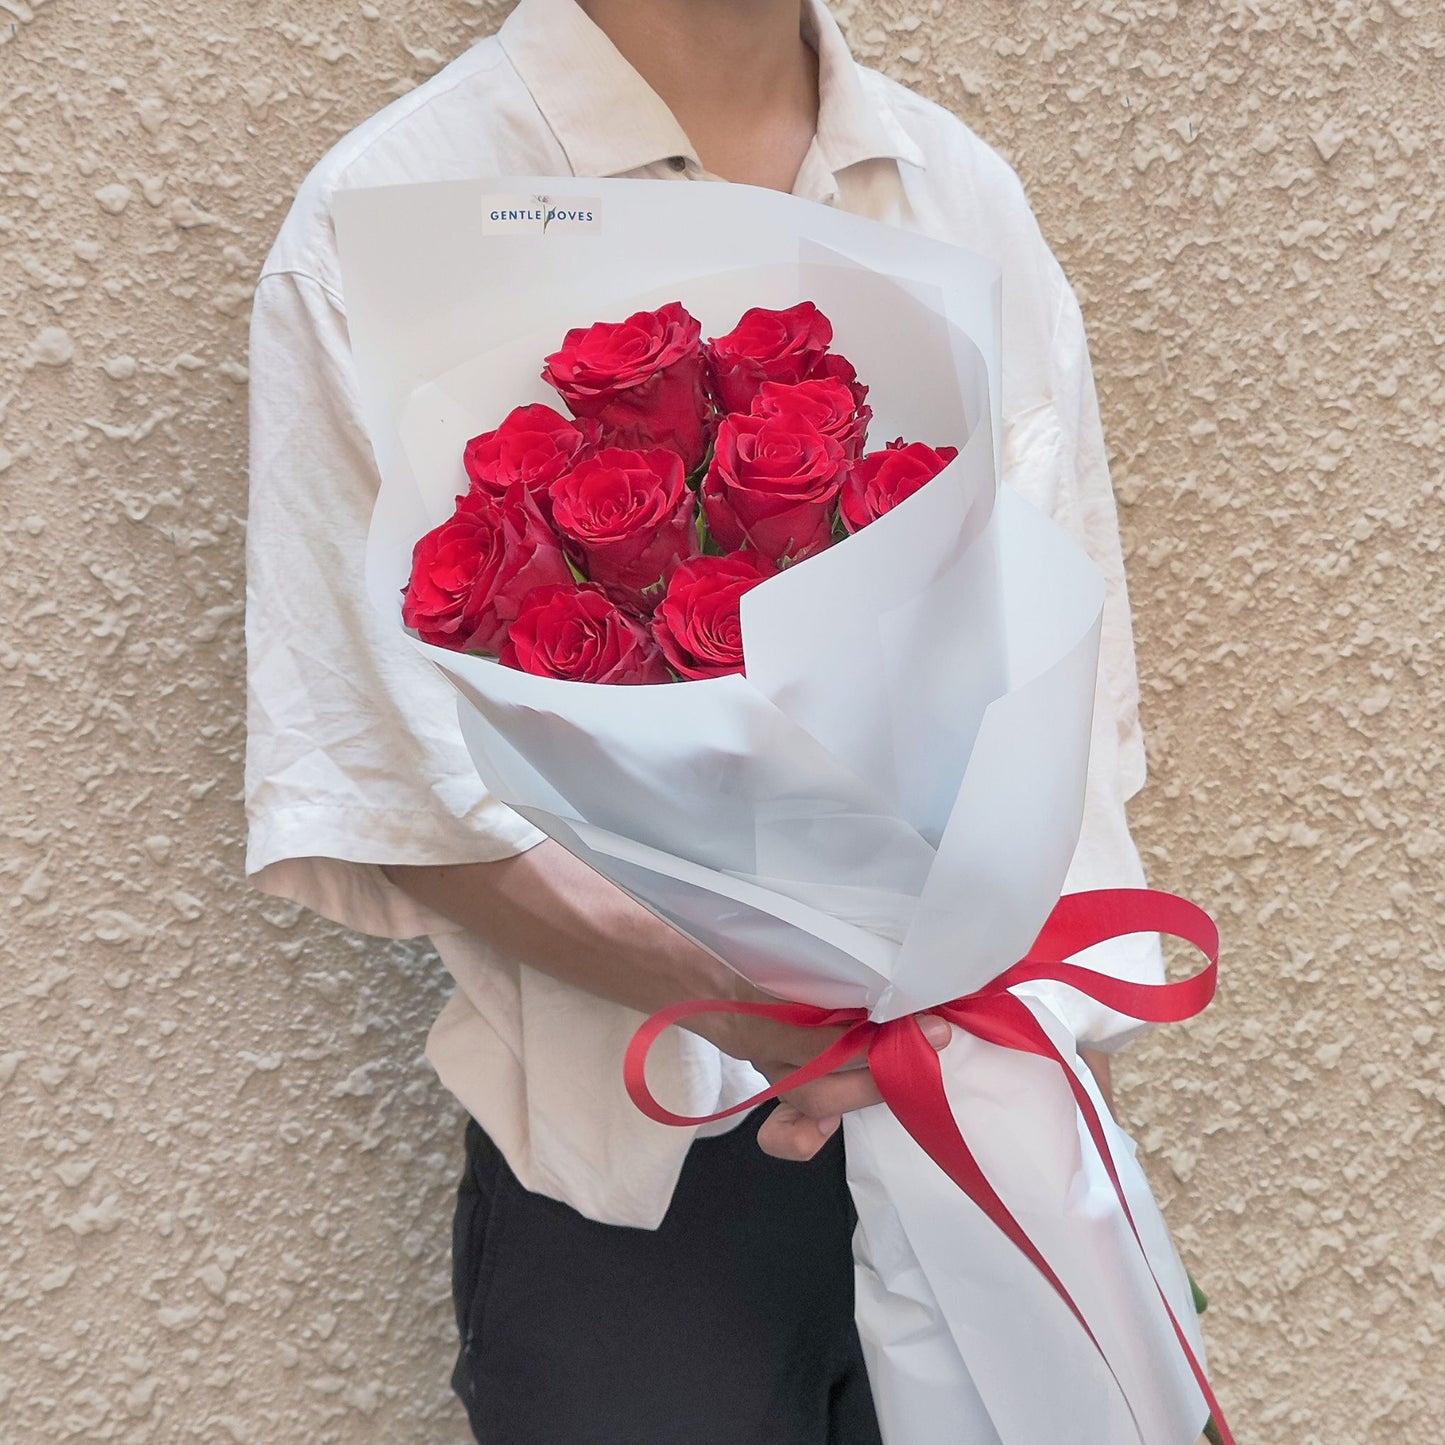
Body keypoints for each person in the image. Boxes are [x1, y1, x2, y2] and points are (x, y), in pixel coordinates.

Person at [244, 1, 1167, 1440]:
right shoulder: (388, 211)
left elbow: (1073, 689)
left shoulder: (954, 188)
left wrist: (956, 1010)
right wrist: (770, 1008)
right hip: (642, 1166)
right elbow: (386, 781)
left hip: (984, 1105)